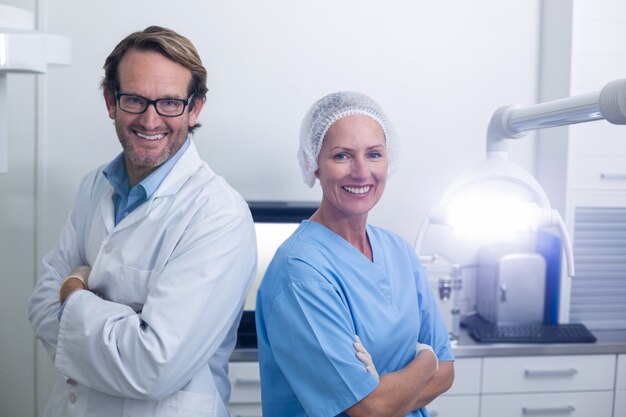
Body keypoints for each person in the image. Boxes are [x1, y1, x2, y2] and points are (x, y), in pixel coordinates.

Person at [28, 26, 256, 417]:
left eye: (169, 102)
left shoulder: (219, 215)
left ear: (195, 107)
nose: (150, 120)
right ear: (110, 101)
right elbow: (40, 308)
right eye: (134, 100)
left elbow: (153, 366)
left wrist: (74, 295)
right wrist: (125, 322)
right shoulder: (93, 187)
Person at [256, 91, 454, 417]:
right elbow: (369, 408)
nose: (361, 172)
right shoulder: (301, 272)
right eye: (342, 156)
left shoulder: (399, 251)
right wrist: (426, 360)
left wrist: (390, 386)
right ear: (313, 164)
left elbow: (447, 373)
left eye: (374, 154)